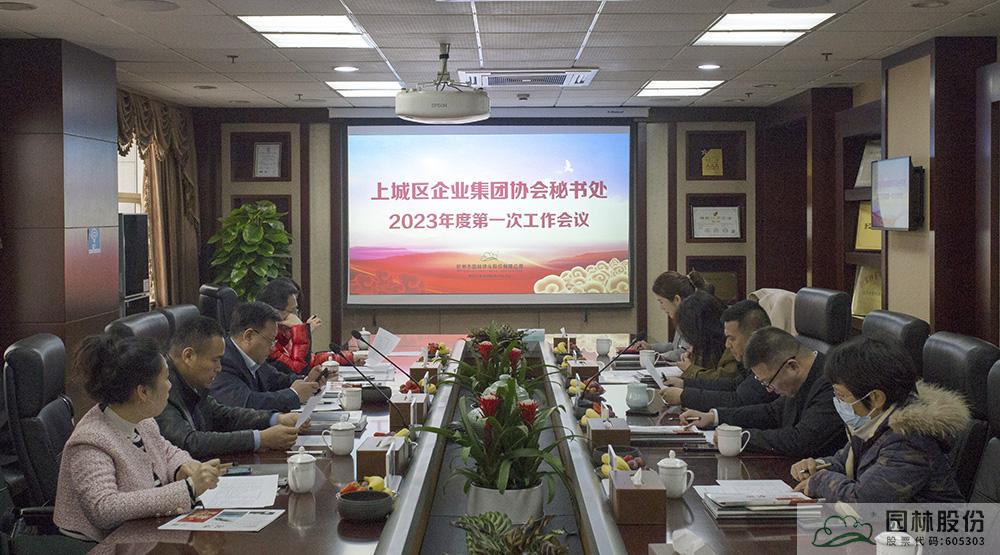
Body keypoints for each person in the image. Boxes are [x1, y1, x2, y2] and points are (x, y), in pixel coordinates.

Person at [54, 335, 222, 543]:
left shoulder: (141, 419)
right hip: (100, 545)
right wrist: (187, 488)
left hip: (144, 534)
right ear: (143, 392)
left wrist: (183, 466)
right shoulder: (90, 441)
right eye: (166, 379)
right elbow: (104, 508)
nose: (170, 386)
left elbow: (166, 451)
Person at [791, 337, 968, 503]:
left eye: (842, 395)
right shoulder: (875, 421)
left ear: (876, 398)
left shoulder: (908, 440)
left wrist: (820, 481)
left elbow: (864, 501)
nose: (838, 402)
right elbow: (846, 461)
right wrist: (817, 466)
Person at [680, 327, 844, 458]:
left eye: (768, 382)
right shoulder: (800, 376)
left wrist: (741, 437)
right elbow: (773, 412)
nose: (768, 389)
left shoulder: (833, 383)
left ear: (792, 366)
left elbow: (800, 440)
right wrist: (714, 417)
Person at [157, 316, 302, 460]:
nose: (219, 368)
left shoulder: (192, 380)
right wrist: (260, 439)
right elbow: (190, 442)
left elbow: (223, 416)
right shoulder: (160, 388)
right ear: (188, 356)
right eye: (215, 360)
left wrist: (275, 418)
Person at [658, 300, 778, 409]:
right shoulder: (754, 361)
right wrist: (684, 384)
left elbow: (739, 400)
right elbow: (733, 385)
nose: (727, 345)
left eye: (732, 338)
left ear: (755, 336)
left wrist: (684, 396)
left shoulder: (770, 364)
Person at [210, 302, 325, 412]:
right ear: (248, 336)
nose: (272, 348)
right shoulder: (222, 362)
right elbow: (246, 403)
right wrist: (293, 395)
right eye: (270, 341)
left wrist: (308, 381)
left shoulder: (253, 358)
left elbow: (278, 380)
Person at [257, 278, 352, 375]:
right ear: (274, 311)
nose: (295, 316)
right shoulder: (268, 342)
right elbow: (299, 371)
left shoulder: (282, 335)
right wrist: (300, 330)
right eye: (292, 311)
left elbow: (311, 360)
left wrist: (351, 357)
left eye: (297, 310)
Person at [637, 270, 711, 362]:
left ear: (676, 299)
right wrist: (650, 348)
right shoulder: (682, 318)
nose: (661, 307)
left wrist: (656, 357)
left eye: (661, 302)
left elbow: (682, 352)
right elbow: (674, 346)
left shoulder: (694, 320)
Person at [673, 291, 740, 381]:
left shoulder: (731, 342)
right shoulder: (707, 342)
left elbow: (725, 379)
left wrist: (690, 369)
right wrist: (692, 359)